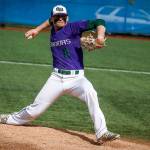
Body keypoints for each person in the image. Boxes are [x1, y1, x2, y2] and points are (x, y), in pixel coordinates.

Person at [0, 5, 120, 144]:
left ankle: (101, 133)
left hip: (77, 79)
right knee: (35, 111)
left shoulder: (73, 27)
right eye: (57, 17)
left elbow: (100, 22)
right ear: (53, 19)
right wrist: (37, 30)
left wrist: (99, 36)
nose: (61, 18)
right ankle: (8, 118)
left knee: (91, 93)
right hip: (56, 78)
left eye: (63, 16)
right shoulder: (53, 26)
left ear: (67, 17)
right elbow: (48, 22)